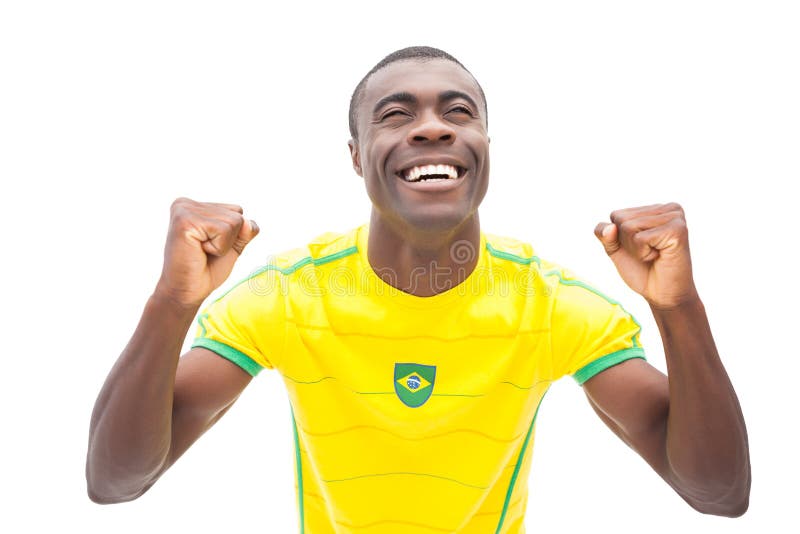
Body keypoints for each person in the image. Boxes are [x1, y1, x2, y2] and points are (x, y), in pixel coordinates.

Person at [86, 46, 751, 532]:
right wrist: (170, 307)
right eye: (395, 114)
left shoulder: (551, 307)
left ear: (485, 146)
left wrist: (678, 310)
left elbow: (718, 493)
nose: (432, 128)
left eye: (458, 113)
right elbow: (116, 481)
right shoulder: (288, 298)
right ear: (355, 156)